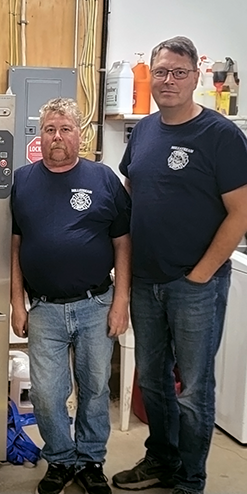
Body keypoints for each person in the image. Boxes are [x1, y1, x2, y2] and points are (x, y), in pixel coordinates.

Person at [112, 36, 247, 494]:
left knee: (193, 390)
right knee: (152, 382)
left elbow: (241, 213)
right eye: (161, 72)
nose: (168, 81)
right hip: (147, 281)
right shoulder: (145, 131)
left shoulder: (222, 135)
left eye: (179, 72)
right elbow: (131, 195)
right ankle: (161, 462)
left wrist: (201, 274)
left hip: (195, 286)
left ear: (196, 79)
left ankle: (191, 479)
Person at [10, 97, 131, 494]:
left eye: (65, 129)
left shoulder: (103, 179)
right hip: (44, 307)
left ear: (80, 134)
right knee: (46, 393)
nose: (57, 137)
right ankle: (61, 459)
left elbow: (122, 244)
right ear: (39, 136)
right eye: (49, 129)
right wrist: (17, 301)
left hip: (97, 303)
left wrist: (120, 302)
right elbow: (15, 244)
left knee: (95, 388)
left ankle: (91, 460)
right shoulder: (23, 181)